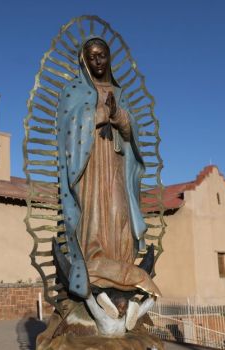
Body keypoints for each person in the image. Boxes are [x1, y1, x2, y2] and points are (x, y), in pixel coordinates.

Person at [56, 37, 160, 306]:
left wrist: (120, 117)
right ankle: (95, 260)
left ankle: (121, 263)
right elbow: (69, 130)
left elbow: (132, 131)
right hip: (89, 165)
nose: (98, 61)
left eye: (102, 55)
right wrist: (100, 114)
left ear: (109, 57)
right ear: (85, 61)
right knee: (95, 211)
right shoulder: (73, 90)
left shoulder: (119, 91)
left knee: (119, 210)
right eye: (92, 57)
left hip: (115, 162)